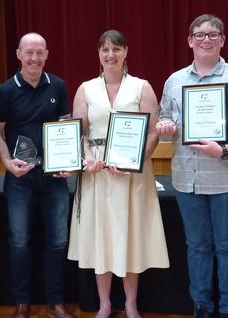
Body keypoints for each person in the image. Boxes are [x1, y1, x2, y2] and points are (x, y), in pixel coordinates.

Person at [156, 14, 228, 318]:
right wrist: (165, 125)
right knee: (197, 247)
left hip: (226, 178)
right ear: (189, 40)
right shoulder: (175, 80)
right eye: (200, 35)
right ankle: (202, 308)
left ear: (223, 40)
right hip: (186, 179)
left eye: (213, 34)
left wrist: (226, 149)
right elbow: (164, 118)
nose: (206, 40)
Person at [67, 30, 170, 318]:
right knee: (102, 237)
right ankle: (104, 304)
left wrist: (135, 161)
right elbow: (78, 132)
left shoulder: (141, 87)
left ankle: (131, 303)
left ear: (126, 52)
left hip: (131, 174)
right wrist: (88, 159)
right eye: (104, 50)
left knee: (129, 235)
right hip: (97, 174)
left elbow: (152, 133)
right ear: (98, 54)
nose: (110, 55)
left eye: (116, 49)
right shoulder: (86, 88)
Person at [0, 33, 76, 318]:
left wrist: (69, 160)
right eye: (29, 52)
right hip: (19, 179)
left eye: (40, 52)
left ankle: (55, 303)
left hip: (54, 178)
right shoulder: (5, 91)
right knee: (19, 242)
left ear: (47, 54)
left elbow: (66, 126)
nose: (34, 58)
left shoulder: (59, 86)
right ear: (18, 54)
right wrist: (6, 162)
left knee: (57, 242)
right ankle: (22, 303)